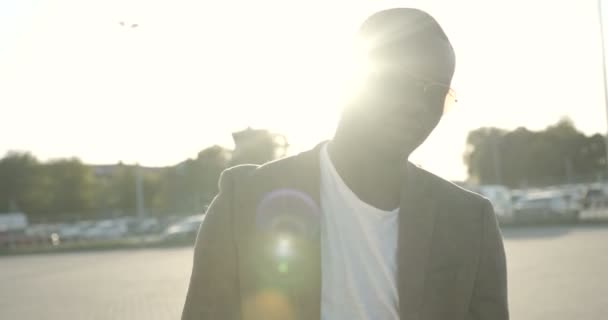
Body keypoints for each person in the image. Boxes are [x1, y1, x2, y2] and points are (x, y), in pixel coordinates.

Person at [182, 7, 508, 320]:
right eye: (398, 80)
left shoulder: (468, 221)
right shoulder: (244, 202)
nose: (417, 105)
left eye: (436, 92)